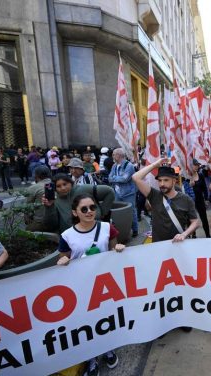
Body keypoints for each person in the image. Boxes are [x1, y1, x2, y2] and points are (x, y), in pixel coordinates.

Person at [56, 194, 123, 374]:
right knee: (86, 322)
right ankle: (91, 358)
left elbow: (112, 250)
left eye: (92, 207)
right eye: (84, 209)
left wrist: (118, 249)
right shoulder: (67, 235)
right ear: (75, 212)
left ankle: (107, 349)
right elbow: (63, 257)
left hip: (104, 284)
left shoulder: (107, 227)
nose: (89, 212)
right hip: (80, 286)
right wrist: (62, 261)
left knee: (105, 318)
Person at [132, 158, 199, 242]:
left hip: (178, 244)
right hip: (158, 245)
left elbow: (195, 222)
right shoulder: (154, 195)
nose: (162, 184)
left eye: (166, 180)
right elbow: (135, 177)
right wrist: (154, 165)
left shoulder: (186, 199)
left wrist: (184, 234)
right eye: (160, 180)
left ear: (174, 181)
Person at [42, 174, 115, 234]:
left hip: (95, 230)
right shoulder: (55, 200)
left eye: (65, 184)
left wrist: (102, 212)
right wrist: (49, 207)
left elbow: (109, 192)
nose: (63, 188)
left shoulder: (84, 189)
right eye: (58, 186)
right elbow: (51, 225)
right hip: (72, 236)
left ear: (71, 183)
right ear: (55, 188)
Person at [109, 148, 139, 237]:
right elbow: (110, 177)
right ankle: (124, 228)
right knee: (120, 211)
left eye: (114, 154)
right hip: (117, 192)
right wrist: (117, 178)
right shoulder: (114, 165)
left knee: (131, 210)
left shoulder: (129, 166)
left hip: (128, 193)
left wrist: (114, 178)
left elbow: (124, 179)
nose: (112, 156)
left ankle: (135, 229)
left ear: (119, 155)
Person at [24, 165, 52, 231]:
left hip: (40, 222)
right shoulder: (58, 184)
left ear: (36, 176)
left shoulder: (33, 188)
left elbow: (27, 208)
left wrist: (27, 220)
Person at [192, 159, 211, 238]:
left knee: (204, 218)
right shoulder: (185, 176)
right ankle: (193, 236)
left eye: (198, 165)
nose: (197, 166)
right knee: (191, 219)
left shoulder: (200, 175)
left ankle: (208, 235)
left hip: (200, 200)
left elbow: (205, 188)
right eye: (195, 165)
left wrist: (206, 199)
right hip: (190, 202)